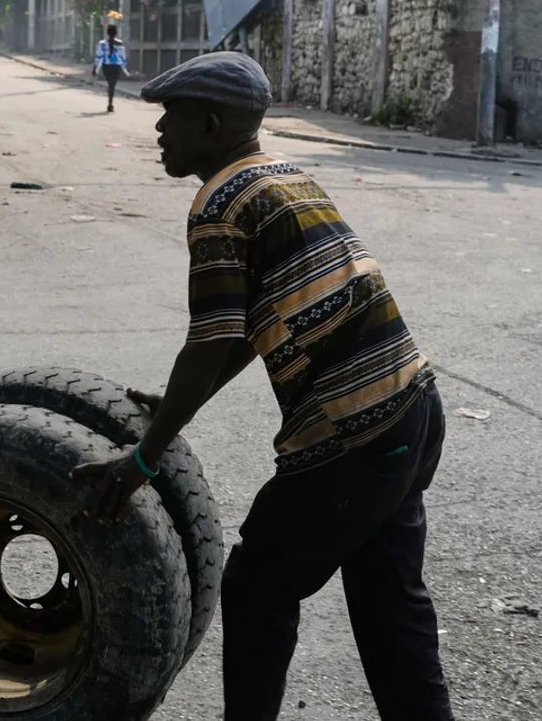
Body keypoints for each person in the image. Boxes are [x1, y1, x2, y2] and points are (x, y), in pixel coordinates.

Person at [70, 51, 456, 721]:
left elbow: (211, 338)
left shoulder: (221, 204)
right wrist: (178, 414)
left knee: (256, 589)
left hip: (352, 432)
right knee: (390, 598)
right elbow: (256, 325)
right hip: (413, 409)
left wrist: (143, 457)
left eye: (172, 118)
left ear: (213, 125)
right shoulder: (284, 177)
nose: (160, 132)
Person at [91, 24, 127, 113]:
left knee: (110, 84)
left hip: (106, 67)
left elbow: (98, 57)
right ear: (116, 33)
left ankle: (110, 102)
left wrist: (95, 68)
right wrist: (125, 69)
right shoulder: (120, 43)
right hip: (116, 67)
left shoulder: (102, 44)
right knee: (112, 84)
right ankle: (110, 102)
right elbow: (123, 57)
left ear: (107, 33)